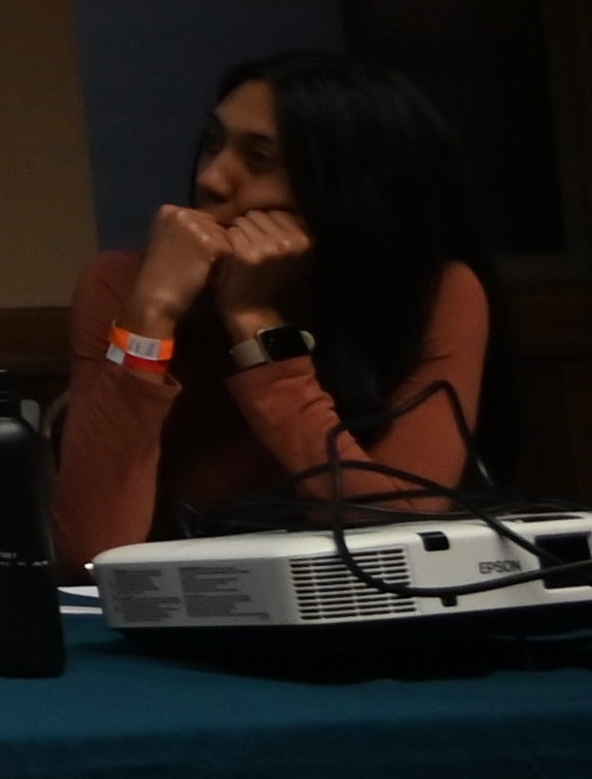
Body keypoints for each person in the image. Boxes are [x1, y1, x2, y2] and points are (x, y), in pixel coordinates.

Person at [56, 50, 497, 556]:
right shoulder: (123, 284)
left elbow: (399, 524)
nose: (212, 178)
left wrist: (254, 323)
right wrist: (151, 315)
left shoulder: (437, 291)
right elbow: (90, 550)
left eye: (259, 159)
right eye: (214, 143)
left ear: (345, 188)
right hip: (176, 594)